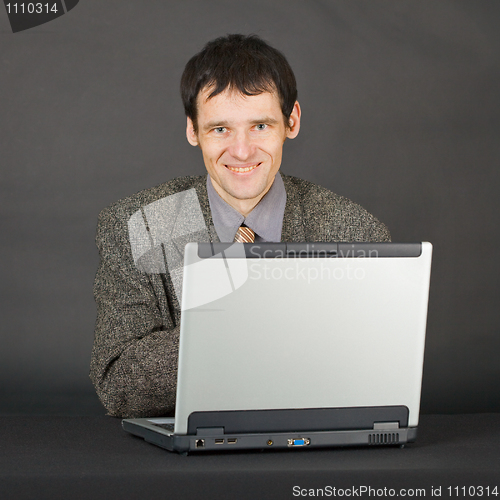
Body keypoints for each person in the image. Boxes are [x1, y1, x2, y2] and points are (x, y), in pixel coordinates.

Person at [90, 34, 390, 418]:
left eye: (260, 126)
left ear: (291, 121)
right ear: (193, 131)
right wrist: (242, 332)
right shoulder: (140, 226)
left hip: (311, 447)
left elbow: (369, 374)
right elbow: (118, 387)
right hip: (189, 462)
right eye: (220, 129)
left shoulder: (356, 232)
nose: (242, 151)